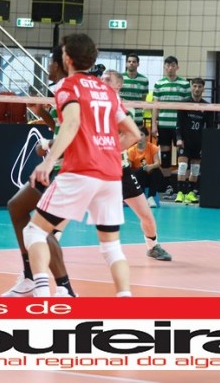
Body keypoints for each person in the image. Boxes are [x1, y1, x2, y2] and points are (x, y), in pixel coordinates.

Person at [24, 33, 141, 298]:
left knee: (34, 232)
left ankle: (42, 297)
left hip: (80, 171)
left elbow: (72, 122)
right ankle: (125, 301)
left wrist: (48, 162)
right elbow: (134, 134)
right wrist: (105, 151)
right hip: (110, 175)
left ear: (66, 58)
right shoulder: (107, 91)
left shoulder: (68, 86)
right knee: (111, 248)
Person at [1, 43, 78, 298]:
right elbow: (60, 125)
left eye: (49, 63)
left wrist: (47, 147)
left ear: (57, 64)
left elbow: (74, 132)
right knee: (17, 207)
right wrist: (41, 113)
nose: (47, 68)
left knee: (42, 229)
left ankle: (65, 288)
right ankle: (29, 277)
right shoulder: (60, 90)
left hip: (67, 168)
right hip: (58, 166)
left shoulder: (68, 89)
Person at [103, 70, 173, 260]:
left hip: (120, 170)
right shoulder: (92, 104)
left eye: (108, 79)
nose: (102, 82)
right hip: (95, 171)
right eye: (101, 79)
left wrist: (107, 151)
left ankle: (153, 246)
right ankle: (46, 242)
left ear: (118, 85)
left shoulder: (124, 109)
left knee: (146, 215)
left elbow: (130, 136)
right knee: (65, 212)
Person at [151, 56, 187, 196]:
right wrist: (154, 124)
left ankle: (180, 185)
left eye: (173, 65)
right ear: (164, 67)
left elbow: (188, 106)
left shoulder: (184, 84)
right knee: (165, 157)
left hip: (179, 126)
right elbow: (155, 106)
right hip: (164, 125)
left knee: (181, 156)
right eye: (168, 65)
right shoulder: (159, 84)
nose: (170, 68)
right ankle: (168, 185)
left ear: (177, 67)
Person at [175, 77, 213, 205]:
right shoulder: (184, 103)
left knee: (195, 168)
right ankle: (180, 193)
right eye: (195, 86)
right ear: (191, 87)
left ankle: (190, 193)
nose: (197, 89)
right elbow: (178, 123)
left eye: (199, 86)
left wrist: (206, 143)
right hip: (185, 141)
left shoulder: (207, 106)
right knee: (182, 166)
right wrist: (179, 139)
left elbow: (209, 127)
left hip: (198, 141)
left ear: (203, 89)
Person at [120, 53, 149, 124]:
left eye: (134, 62)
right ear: (126, 63)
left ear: (138, 64)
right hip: (122, 116)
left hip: (137, 117)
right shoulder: (119, 78)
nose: (131, 63)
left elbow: (143, 99)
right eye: (129, 61)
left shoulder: (144, 80)